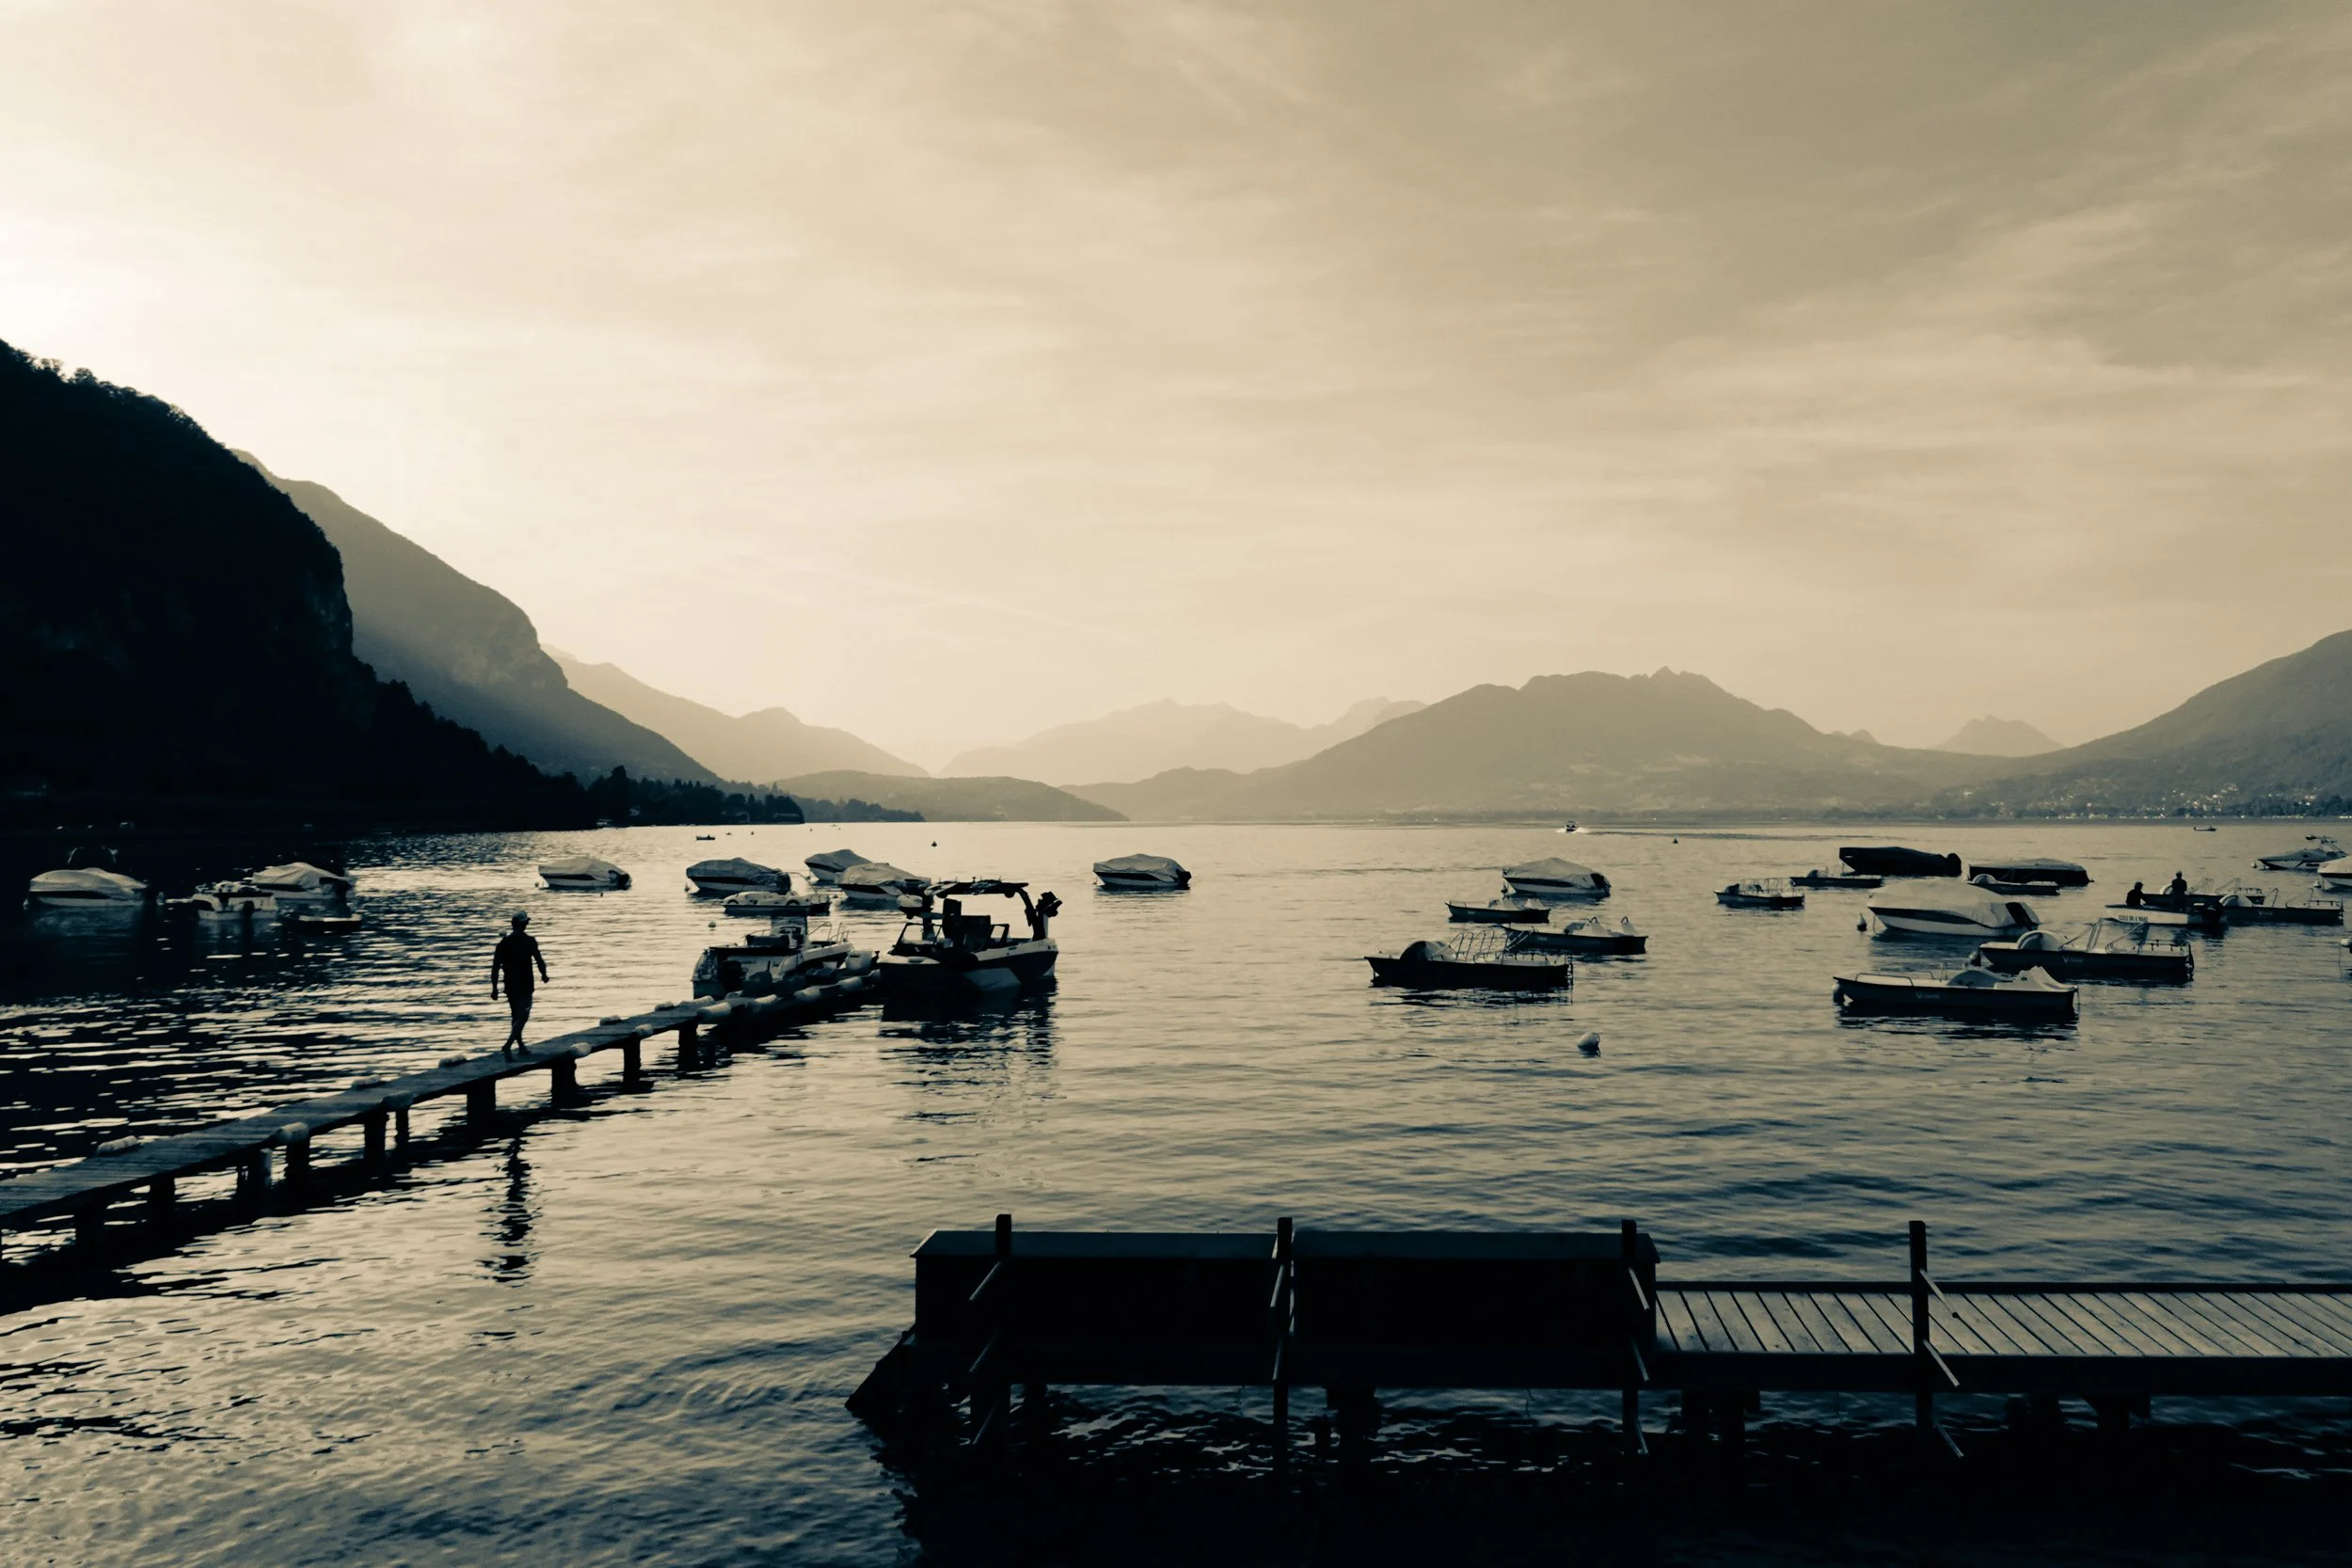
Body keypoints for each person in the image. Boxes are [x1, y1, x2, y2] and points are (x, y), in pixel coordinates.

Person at [491, 911, 548, 1053]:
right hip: (525, 984)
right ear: (524, 924)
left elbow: (495, 967)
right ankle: (508, 1045)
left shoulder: (503, 943)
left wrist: (494, 988)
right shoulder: (529, 941)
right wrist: (544, 974)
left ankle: (521, 1046)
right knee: (523, 1016)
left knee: (516, 1016)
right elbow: (539, 960)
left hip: (510, 984)